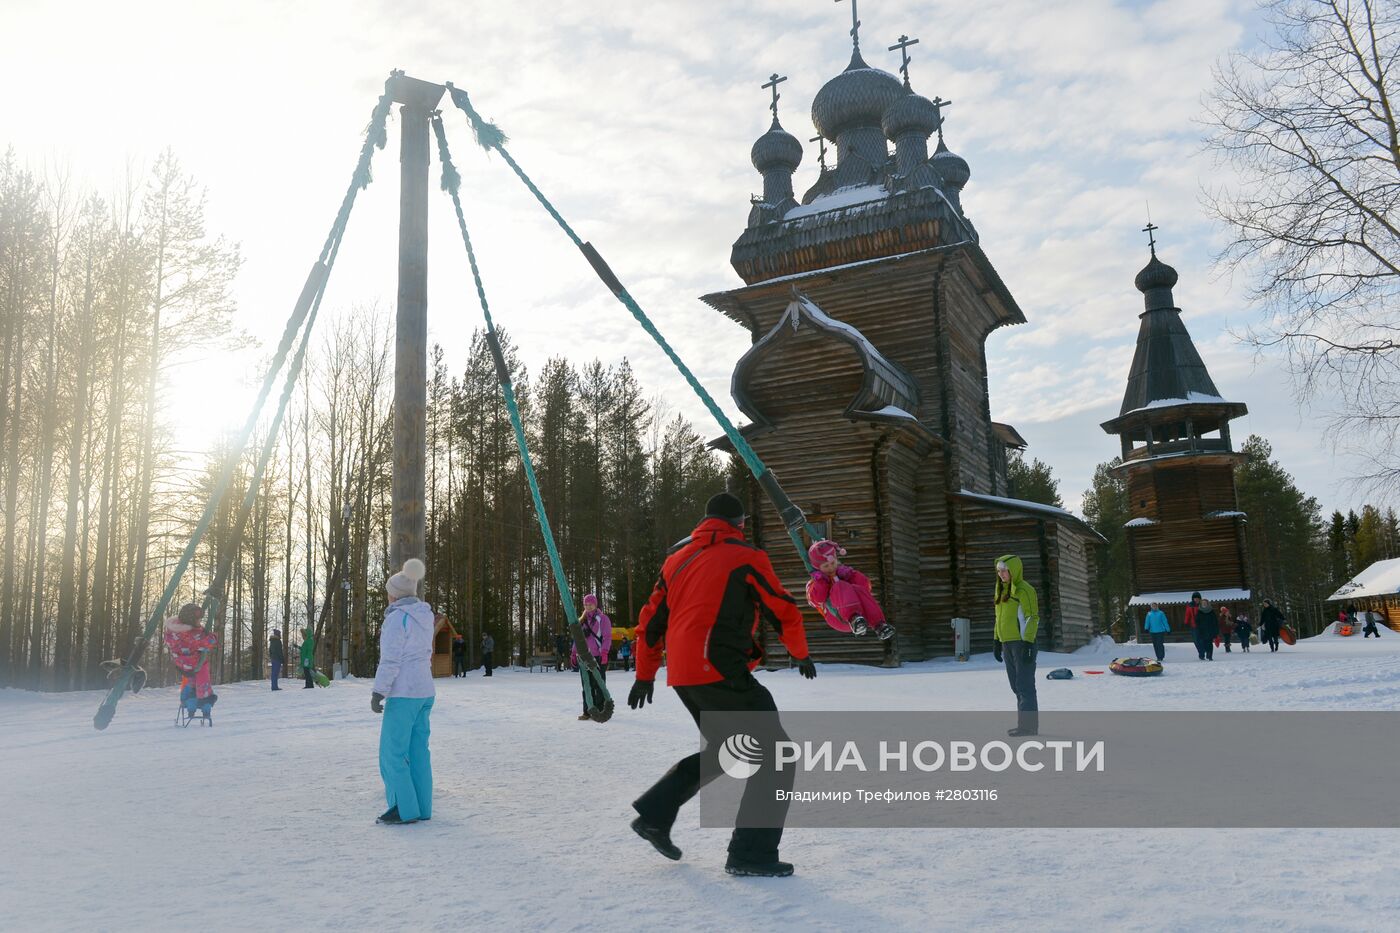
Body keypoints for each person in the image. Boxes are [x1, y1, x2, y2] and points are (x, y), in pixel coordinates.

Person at [629, 491, 815, 878]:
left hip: (683, 675)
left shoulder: (676, 561)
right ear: (741, 524)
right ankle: (751, 853)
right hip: (720, 670)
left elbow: (650, 624)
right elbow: (782, 608)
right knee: (778, 756)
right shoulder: (746, 556)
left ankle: (655, 813)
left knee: (733, 751)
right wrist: (800, 652)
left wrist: (645, 674)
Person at [371, 558, 436, 825]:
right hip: (425, 691)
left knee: (393, 753)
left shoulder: (397, 620)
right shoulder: (425, 616)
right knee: (418, 750)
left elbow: (391, 660)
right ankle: (422, 805)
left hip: (403, 693)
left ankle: (403, 807)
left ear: (394, 594)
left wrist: (378, 691)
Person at [804, 539, 895, 640]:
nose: (831, 568)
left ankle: (879, 625)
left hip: (860, 616)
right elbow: (816, 600)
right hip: (836, 617)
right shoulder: (814, 582)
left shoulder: (842, 573)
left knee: (858, 589)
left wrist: (851, 574)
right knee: (840, 586)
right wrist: (820, 582)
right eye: (826, 566)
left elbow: (866, 587)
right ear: (817, 567)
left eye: (833, 563)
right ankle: (853, 618)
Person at [992, 555, 1040, 736]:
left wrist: (1028, 642)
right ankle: (1024, 724)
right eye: (998, 570)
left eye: (1004, 570)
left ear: (1014, 570)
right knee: (1015, 686)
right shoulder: (1000, 591)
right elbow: (998, 619)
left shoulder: (1024, 590)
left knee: (1024, 685)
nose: (1001, 574)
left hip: (1022, 643)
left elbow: (1032, 617)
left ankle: (1028, 727)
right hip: (1007, 644)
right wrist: (997, 640)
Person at [163, 602, 218, 722]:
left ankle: (189, 703)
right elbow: (207, 643)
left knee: (191, 682)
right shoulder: (193, 635)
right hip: (195, 664)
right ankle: (204, 703)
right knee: (202, 680)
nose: (200, 623)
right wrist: (213, 636)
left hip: (182, 663)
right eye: (198, 620)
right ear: (191, 621)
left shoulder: (172, 630)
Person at [571, 594, 612, 720]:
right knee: (586, 686)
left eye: (590, 604)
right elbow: (577, 639)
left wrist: (604, 652)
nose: (588, 606)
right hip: (583, 657)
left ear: (595, 604)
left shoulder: (603, 619)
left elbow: (607, 637)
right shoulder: (581, 620)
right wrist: (573, 653)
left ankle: (599, 710)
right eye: (586, 604)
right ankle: (587, 711)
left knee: (598, 684)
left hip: (598, 656)